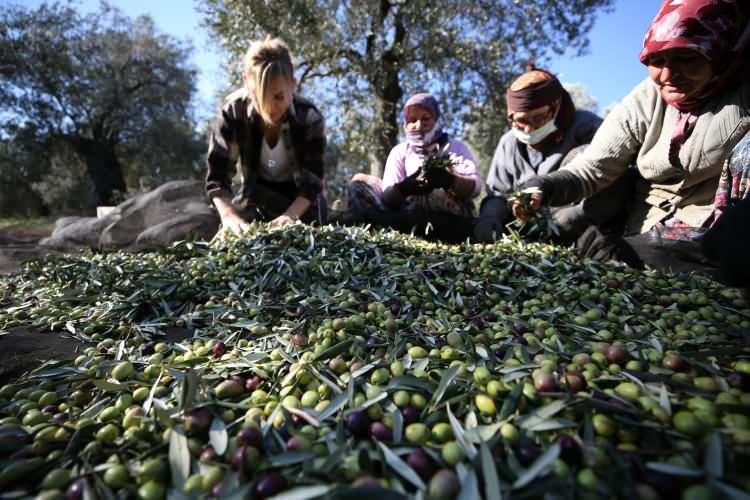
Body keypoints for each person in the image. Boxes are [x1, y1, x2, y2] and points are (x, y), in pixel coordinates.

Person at [513, 0, 750, 275]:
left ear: (721, 53)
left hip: (713, 237)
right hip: (643, 229)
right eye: (657, 61)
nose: (669, 75)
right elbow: (594, 166)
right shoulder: (647, 97)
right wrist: (544, 186)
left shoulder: (742, 92)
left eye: (688, 58)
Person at [205, 37, 327, 236]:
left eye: (279, 96)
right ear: (246, 81)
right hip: (255, 196)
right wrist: (228, 216)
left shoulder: (310, 119)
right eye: (259, 96)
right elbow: (218, 178)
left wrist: (289, 217)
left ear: (293, 84)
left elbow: (312, 184)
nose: (269, 108)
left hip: (302, 204)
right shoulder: (233, 114)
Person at [474, 66, 603, 243]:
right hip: (525, 233)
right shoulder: (508, 143)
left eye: (538, 118)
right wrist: (489, 218)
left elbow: (607, 170)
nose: (529, 128)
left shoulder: (585, 126)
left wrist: (573, 216)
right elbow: (498, 194)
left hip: (579, 228)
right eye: (521, 121)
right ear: (510, 117)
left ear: (556, 106)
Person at [346, 93, 482, 243]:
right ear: (405, 124)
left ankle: (449, 231)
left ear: (436, 120)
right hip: (408, 215)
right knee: (359, 182)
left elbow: (474, 188)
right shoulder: (400, 151)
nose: (418, 125)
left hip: (450, 218)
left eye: (425, 119)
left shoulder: (454, 147)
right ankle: (375, 225)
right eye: (412, 120)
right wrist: (405, 187)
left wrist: (449, 180)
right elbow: (387, 198)